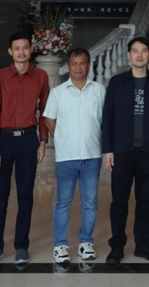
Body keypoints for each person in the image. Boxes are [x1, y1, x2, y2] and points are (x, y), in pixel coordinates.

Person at [101, 36, 149, 264]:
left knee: (145, 200)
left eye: (144, 51)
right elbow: (108, 116)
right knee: (119, 201)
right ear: (129, 55)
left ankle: (143, 245)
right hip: (121, 151)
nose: (139, 55)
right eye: (135, 51)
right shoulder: (117, 82)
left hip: (148, 151)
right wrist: (107, 149)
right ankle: (117, 247)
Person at [0, 31, 50, 266]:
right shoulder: (0, 77)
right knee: (0, 195)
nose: (21, 52)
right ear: (10, 51)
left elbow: (44, 111)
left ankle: (22, 246)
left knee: (25, 195)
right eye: (17, 48)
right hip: (4, 140)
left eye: (25, 47)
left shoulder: (41, 76)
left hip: (28, 140)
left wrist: (42, 141)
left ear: (31, 50)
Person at [43, 47, 106, 266]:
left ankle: (86, 242)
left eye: (82, 63)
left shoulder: (99, 90)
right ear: (68, 66)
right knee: (63, 202)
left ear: (88, 65)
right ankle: (60, 245)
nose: (78, 67)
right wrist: (61, 137)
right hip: (66, 157)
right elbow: (48, 119)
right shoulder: (58, 92)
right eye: (74, 63)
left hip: (92, 156)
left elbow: (106, 120)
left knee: (90, 202)